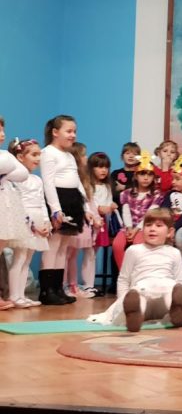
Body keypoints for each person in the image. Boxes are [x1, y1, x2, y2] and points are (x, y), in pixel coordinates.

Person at [88, 208, 182, 332]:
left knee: (171, 292)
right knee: (138, 297)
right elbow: (124, 279)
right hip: (142, 290)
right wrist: (122, 300)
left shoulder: (174, 252)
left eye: (158, 226)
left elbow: (180, 281)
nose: (152, 229)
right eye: (148, 225)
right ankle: (133, 315)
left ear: (170, 232)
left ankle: (176, 312)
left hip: (165, 296)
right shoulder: (134, 250)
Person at [40, 115, 97, 305]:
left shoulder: (69, 155)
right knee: (53, 246)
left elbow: (78, 182)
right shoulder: (48, 153)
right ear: (55, 132)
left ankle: (58, 288)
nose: (73, 135)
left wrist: (86, 207)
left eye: (75, 131)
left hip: (72, 200)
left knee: (63, 247)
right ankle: (47, 290)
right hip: (58, 199)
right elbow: (48, 183)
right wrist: (55, 210)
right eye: (69, 131)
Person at [7, 138, 49, 308]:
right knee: (19, 258)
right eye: (34, 154)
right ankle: (13, 296)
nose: (38, 158)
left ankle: (21, 295)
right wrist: (32, 224)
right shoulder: (16, 179)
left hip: (37, 219)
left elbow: (41, 202)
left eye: (39, 154)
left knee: (27, 260)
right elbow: (18, 203)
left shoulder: (37, 180)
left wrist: (45, 221)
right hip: (24, 220)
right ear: (20, 157)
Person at [63, 142, 101, 298]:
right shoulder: (70, 178)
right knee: (65, 254)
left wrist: (95, 216)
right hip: (73, 217)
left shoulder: (85, 179)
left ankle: (72, 285)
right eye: (84, 155)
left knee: (73, 254)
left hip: (83, 220)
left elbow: (89, 201)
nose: (86, 158)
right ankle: (63, 285)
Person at [113, 150, 163, 269]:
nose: (146, 178)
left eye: (149, 175)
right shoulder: (126, 193)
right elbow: (126, 212)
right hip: (128, 227)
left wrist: (136, 230)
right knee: (117, 245)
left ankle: (138, 273)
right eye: (142, 174)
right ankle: (124, 273)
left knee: (138, 245)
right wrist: (129, 228)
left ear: (153, 177)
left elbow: (150, 214)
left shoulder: (156, 195)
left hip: (144, 227)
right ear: (136, 176)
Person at [159, 155, 182, 265]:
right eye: (173, 179)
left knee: (179, 237)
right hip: (170, 224)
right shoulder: (170, 194)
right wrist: (167, 227)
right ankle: (167, 265)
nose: (173, 182)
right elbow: (164, 210)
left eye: (177, 179)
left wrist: (173, 228)